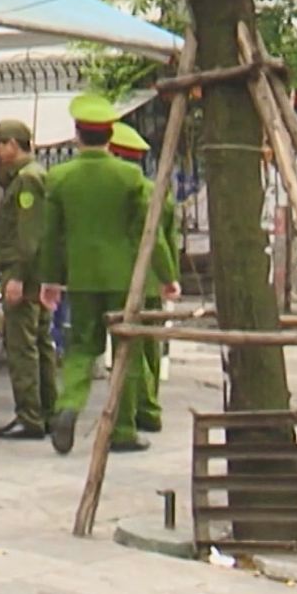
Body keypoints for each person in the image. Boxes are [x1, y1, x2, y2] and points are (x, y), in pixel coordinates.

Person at [38, 95, 179, 455]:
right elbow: (147, 233)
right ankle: (123, 429)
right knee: (126, 352)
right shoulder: (130, 177)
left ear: (77, 134)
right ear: (110, 135)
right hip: (125, 279)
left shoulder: (59, 177)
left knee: (81, 348)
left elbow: (51, 236)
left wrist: (50, 280)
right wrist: (167, 275)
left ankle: (69, 406)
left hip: (81, 279)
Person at [0, 119, 57, 441]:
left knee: (22, 346)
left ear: (12, 145)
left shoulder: (28, 180)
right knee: (40, 343)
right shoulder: (31, 175)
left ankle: (29, 416)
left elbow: (28, 236)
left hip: (25, 274)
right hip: (39, 274)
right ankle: (48, 412)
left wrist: (16, 277)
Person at [109, 122, 178, 434]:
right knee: (151, 346)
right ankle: (149, 408)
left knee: (129, 350)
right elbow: (169, 238)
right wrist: (170, 277)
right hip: (154, 278)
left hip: (125, 279)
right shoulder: (158, 191)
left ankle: (136, 410)